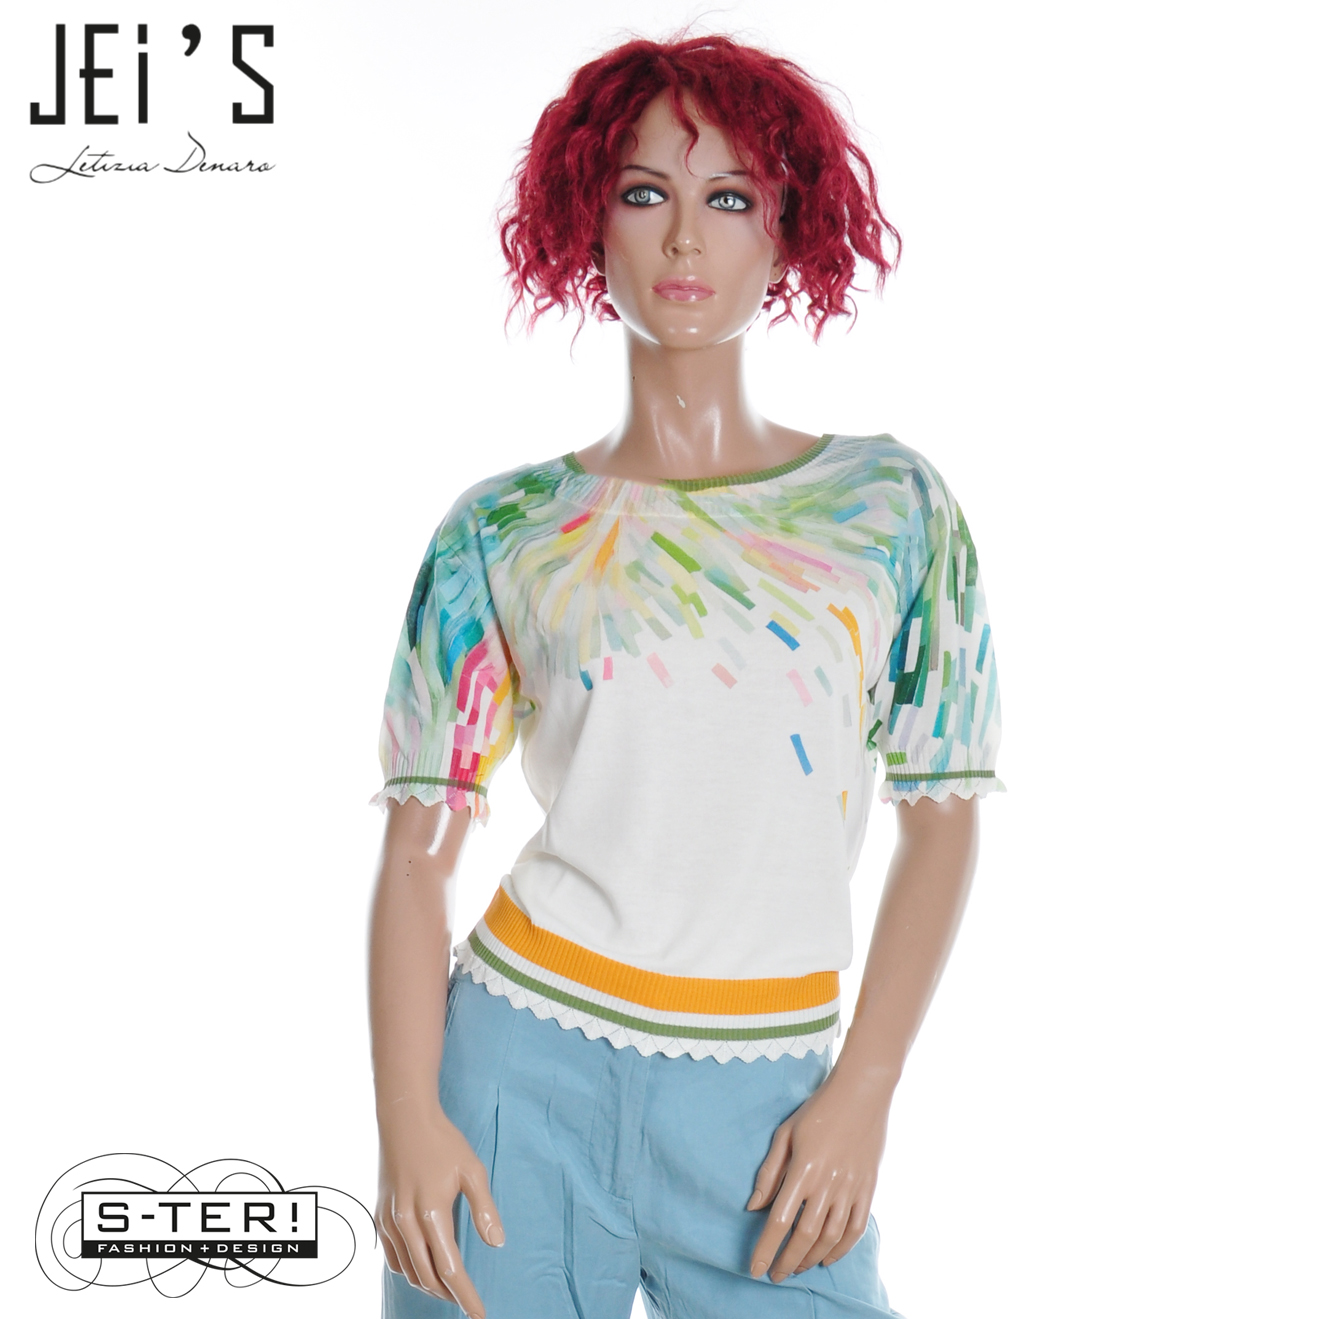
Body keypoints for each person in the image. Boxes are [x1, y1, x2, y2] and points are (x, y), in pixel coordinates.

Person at [368, 33, 1003, 1319]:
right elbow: (417, 853)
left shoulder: (889, 508)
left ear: (788, 228)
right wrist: (406, 1122)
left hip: (770, 1115)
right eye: (643, 192)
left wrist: (866, 1087)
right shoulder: (503, 529)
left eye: (728, 198)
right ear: (585, 219)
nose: (681, 239)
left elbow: (940, 817)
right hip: (515, 1076)